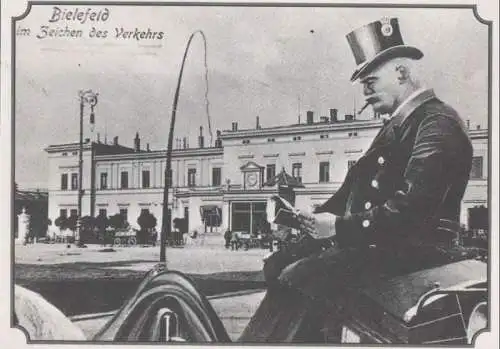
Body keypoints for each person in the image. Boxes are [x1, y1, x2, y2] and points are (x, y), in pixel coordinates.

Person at [240, 17, 477, 342]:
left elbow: (412, 209)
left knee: (301, 275)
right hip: (387, 243)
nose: (365, 93)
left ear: (402, 73)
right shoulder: (400, 124)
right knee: (281, 261)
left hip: (421, 249)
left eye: (371, 82)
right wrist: (310, 220)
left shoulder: (437, 122)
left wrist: (339, 227)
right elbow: (355, 190)